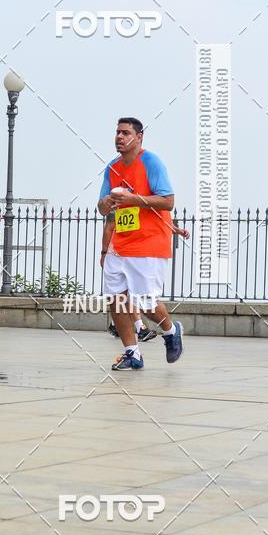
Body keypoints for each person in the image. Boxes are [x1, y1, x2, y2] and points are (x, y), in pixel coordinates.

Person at [97, 117, 183, 370]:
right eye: (117, 132)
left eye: (125, 133)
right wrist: (106, 204)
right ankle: (132, 353)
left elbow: (168, 201)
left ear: (139, 137)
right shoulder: (112, 168)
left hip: (149, 242)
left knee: (145, 302)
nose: (119, 137)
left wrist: (133, 199)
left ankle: (170, 329)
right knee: (116, 299)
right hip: (120, 243)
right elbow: (102, 206)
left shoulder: (151, 162)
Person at [100, 217, 190, 342]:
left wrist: (175, 229)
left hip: (140, 254)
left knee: (136, 298)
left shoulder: (148, 203)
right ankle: (136, 335)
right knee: (123, 296)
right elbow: (109, 227)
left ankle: (130, 327)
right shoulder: (118, 203)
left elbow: (158, 221)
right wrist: (105, 253)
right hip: (120, 253)